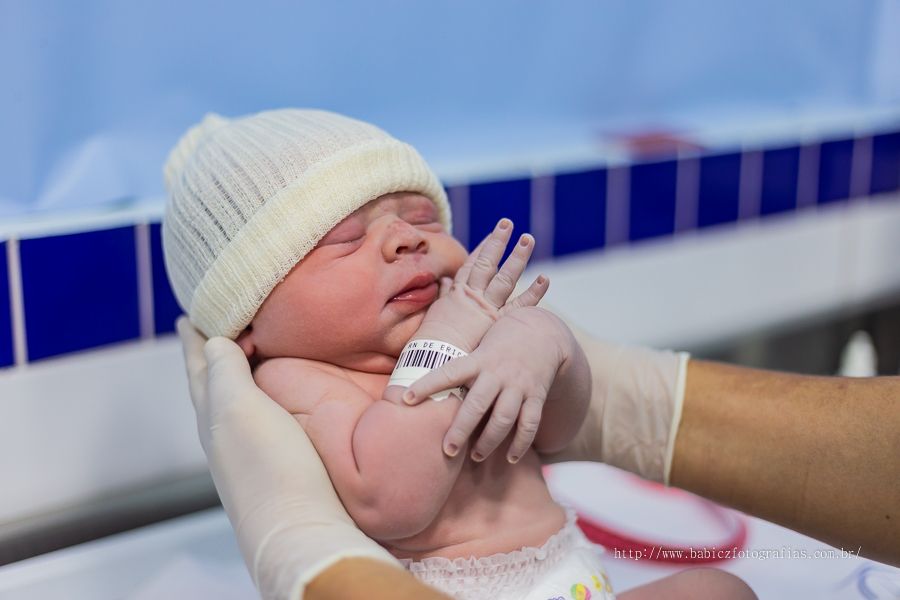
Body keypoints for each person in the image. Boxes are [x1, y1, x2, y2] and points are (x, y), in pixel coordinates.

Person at [164, 108, 755, 600]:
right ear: (248, 321)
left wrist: (547, 347)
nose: (407, 238)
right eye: (346, 237)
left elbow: (558, 432)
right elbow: (393, 501)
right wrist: (441, 345)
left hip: (571, 577)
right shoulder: (295, 378)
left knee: (717, 590)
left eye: (422, 217)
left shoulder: (468, 322)